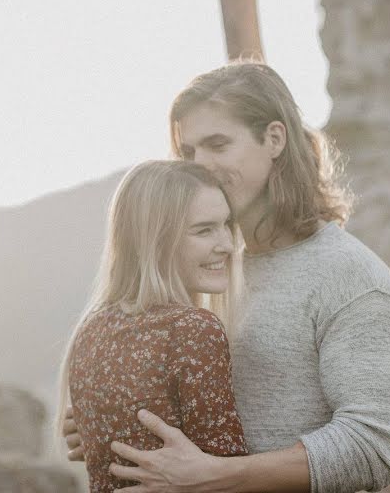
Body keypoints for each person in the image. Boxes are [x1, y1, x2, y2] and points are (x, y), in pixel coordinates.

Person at [63, 63, 390, 493]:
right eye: (188, 151)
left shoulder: (352, 278)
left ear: (274, 139)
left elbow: (372, 448)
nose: (201, 165)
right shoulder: (207, 263)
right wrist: (118, 411)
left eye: (217, 145)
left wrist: (215, 476)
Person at [54, 160, 251, 492]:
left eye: (226, 225)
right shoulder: (192, 330)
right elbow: (225, 480)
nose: (228, 245)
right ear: (156, 241)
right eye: (204, 230)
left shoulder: (91, 331)